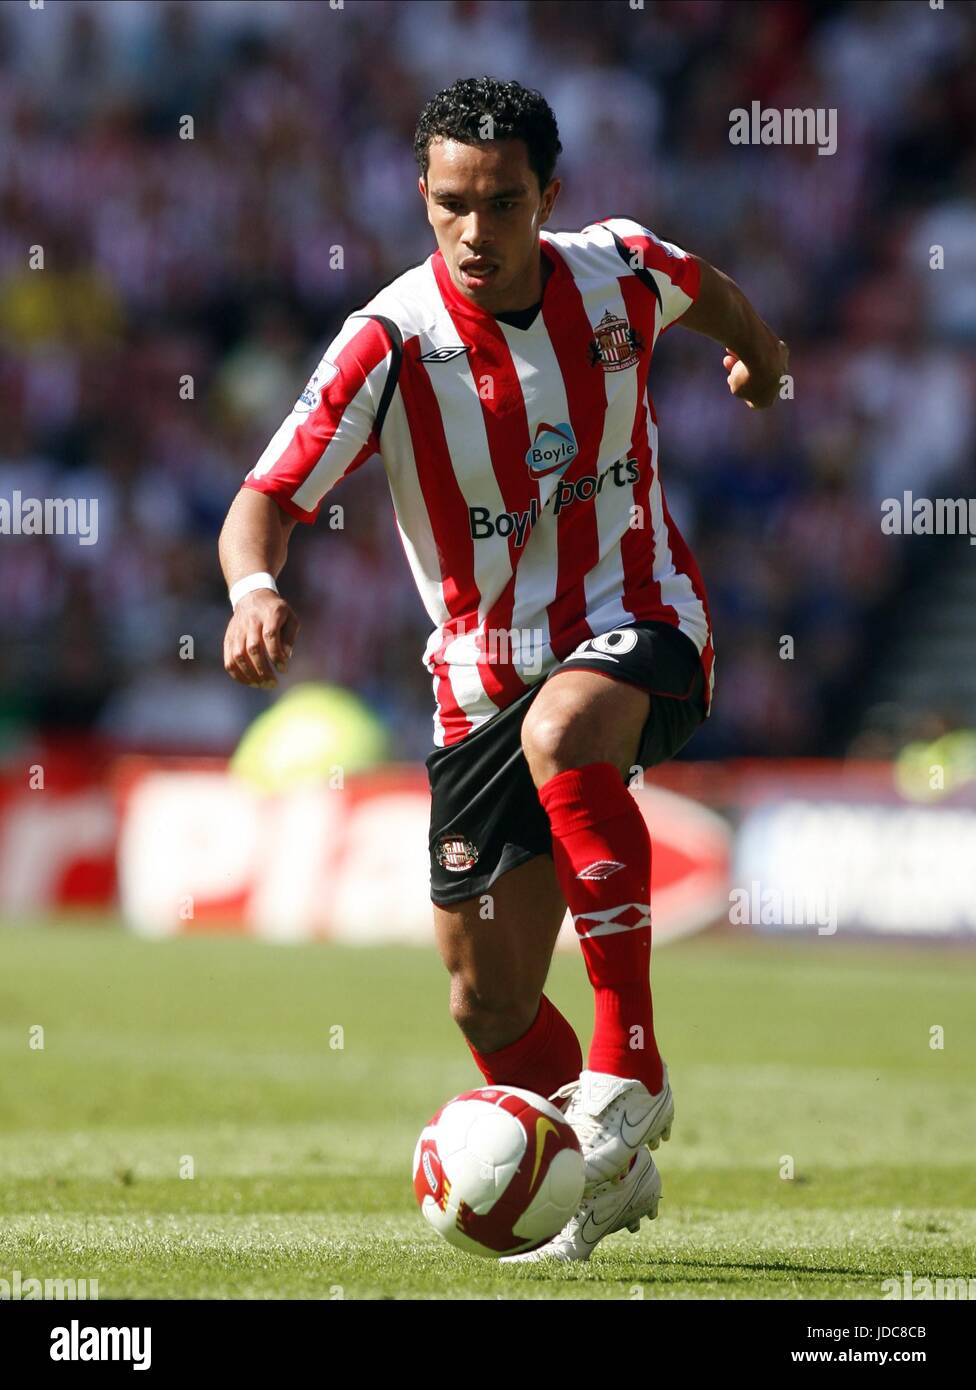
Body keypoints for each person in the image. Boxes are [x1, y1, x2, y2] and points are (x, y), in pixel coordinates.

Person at [218, 76, 788, 1262]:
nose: (478, 232)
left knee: (567, 731)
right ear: (423, 198)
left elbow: (717, 298)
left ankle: (631, 1064)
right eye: (453, 205)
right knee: (486, 1001)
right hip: (478, 681)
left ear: (550, 198)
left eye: (505, 203)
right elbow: (265, 498)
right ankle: (599, 1169)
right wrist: (255, 589)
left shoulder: (620, 269)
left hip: (640, 621)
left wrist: (762, 364)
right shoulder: (389, 341)